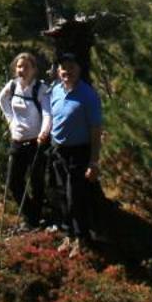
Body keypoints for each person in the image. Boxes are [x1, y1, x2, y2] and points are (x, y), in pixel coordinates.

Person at [46, 52, 104, 250]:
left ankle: (81, 237)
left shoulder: (88, 95)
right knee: (62, 194)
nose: (66, 71)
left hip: (79, 152)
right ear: (58, 71)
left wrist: (94, 161)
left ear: (79, 69)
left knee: (75, 196)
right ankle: (69, 234)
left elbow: (96, 129)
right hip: (58, 150)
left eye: (71, 67)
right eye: (63, 68)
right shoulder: (55, 90)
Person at [0, 52, 51, 227]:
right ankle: (30, 214)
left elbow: (47, 113)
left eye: (26, 67)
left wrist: (44, 132)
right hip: (17, 140)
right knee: (14, 182)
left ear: (34, 69)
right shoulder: (12, 86)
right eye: (19, 66)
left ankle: (34, 219)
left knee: (37, 182)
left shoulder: (40, 89)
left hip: (37, 142)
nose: (22, 70)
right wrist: (10, 121)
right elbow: (1, 99)